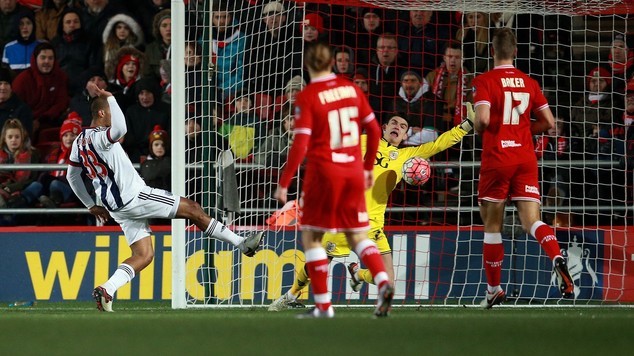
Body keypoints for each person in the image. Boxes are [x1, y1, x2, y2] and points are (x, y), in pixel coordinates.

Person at [67, 82, 264, 312]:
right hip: (135, 197)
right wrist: (111, 97)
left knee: (144, 254)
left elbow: (72, 176)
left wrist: (91, 205)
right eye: (110, 111)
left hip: (115, 207)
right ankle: (241, 243)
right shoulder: (101, 136)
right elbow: (121, 129)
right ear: (102, 113)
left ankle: (107, 289)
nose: (113, 114)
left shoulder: (79, 142)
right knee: (192, 208)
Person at [269, 110, 474, 311]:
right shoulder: (363, 141)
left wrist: (467, 125)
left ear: (406, 135)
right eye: (394, 122)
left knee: (389, 283)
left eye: (403, 126)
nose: (397, 127)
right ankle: (290, 296)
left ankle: (358, 274)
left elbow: (440, 144)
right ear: (384, 127)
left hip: (373, 225)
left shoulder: (407, 156)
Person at [273, 41, 392, 318]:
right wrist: (365, 168)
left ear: (308, 66)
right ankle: (384, 282)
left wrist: (284, 182)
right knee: (359, 235)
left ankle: (324, 306)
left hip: (323, 174)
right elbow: (374, 130)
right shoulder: (351, 89)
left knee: (313, 238)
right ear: (330, 64)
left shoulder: (308, 96)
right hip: (352, 173)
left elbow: (301, 144)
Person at [471, 27, 574, 308]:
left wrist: (482, 128)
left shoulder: (485, 81)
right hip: (526, 158)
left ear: (493, 51)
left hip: (497, 158)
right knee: (532, 222)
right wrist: (524, 131)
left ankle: (493, 289)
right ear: (516, 51)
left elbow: (481, 120)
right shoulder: (529, 82)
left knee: (493, 225)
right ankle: (555, 255)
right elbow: (550, 123)